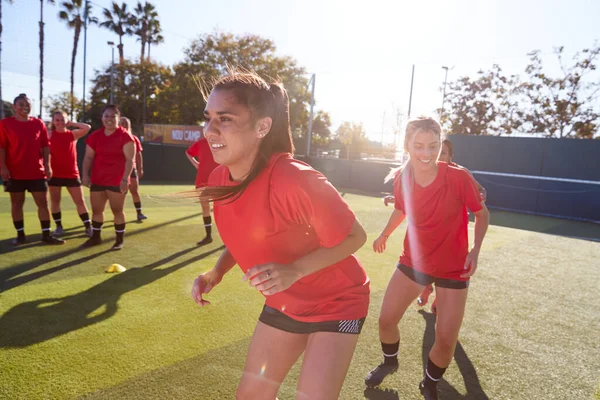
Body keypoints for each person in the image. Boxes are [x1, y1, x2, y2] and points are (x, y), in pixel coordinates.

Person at [191, 71, 370, 400]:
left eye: (225, 119)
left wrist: (294, 271)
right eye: (208, 118)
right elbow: (245, 236)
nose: (210, 130)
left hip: (338, 303)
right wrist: (216, 271)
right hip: (285, 303)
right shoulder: (219, 179)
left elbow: (355, 237)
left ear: (262, 127)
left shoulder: (294, 178)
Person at [365, 116, 489, 400]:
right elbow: (402, 208)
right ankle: (389, 362)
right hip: (414, 262)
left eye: (433, 146)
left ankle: (429, 383)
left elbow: (482, 214)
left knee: (445, 340)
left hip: (454, 268)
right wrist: (384, 234)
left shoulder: (458, 177)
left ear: (440, 144)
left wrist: (475, 251)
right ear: (407, 145)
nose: (426, 153)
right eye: (419, 146)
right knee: (386, 320)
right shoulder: (401, 178)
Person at [383, 138, 488, 314]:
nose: (437, 155)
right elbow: (412, 200)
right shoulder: (415, 174)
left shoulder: (460, 175)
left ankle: (440, 297)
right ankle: (427, 288)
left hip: (452, 247)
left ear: (450, 156)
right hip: (423, 249)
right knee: (427, 263)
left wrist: (479, 197)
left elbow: (481, 193)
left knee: (444, 268)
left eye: (443, 152)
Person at [0, 93, 65, 245]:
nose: (25, 107)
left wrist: (48, 165)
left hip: (37, 171)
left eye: (27, 104)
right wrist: (2, 167)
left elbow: (45, 146)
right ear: (14, 107)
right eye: (21, 104)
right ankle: (20, 236)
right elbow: (2, 147)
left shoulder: (38, 124)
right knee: (17, 204)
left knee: (43, 203)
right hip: (14, 172)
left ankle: (46, 235)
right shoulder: (5, 124)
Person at [81, 105, 135, 250]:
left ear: (118, 118)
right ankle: (96, 237)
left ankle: (119, 240)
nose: (109, 119)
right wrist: (85, 175)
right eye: (106, 116)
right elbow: (88, 157)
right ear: (102, 117)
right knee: (97, 211)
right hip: (98, 179)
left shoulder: (125, 136)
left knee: (117, 210)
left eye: (113, 116)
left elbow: (130, 160)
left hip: (117, 180)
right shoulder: (95, 136)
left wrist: (125, 179)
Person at [48, 110, 92, 237]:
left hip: (72, 174)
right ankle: (58, 227)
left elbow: (87, 127)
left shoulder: (72, 134)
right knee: (55, 201)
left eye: (62, 119)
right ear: (53, 121)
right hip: (54, 174)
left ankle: (88, 227)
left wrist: (71, 123)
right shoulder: (49, 134)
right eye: (57, 120)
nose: (60, 122)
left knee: (80, 201)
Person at [185, 135, 219, 246]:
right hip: (202, 180)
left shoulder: (222, 140)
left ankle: (229, 239)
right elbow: (188, 153)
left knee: (223, 210)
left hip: (219, 180)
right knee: (205, 208)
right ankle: (208, 236)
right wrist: (195, 163)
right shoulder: (201, 143)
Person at [119, 116, 147, 222]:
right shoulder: (116, 137)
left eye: (126, 123)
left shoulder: (134, 138)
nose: (124, 125)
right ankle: (119, 213)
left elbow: (139, 154)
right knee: (121, 193)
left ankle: (139, 213)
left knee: (134, 191)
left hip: (132, 169)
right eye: (122, 123)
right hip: (119, 170)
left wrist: (140, 168)